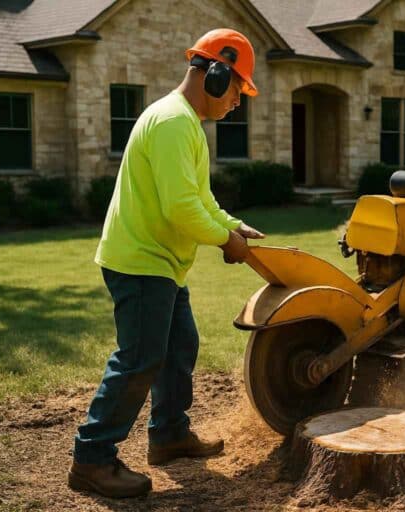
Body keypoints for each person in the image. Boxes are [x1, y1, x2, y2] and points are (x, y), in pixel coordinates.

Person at [68, 29, 264, 499]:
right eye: (239, 88)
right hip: (140, 263)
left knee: (179, 348)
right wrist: (225, 241)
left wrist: (234, 225)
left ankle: (169, 435)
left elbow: (199, 198)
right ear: (216, 76)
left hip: (160, 264)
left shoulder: (183, 123)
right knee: (139, 360)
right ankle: (91, 460)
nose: (239, 101)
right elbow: (181, 209)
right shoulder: (174, 122)